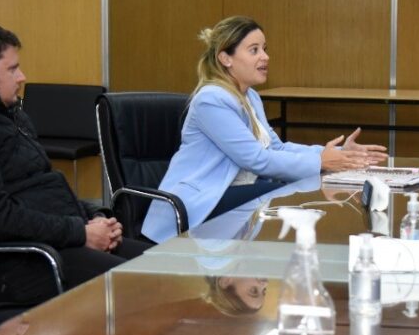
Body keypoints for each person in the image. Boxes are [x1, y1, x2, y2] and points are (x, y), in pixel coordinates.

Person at [0, 12, 151, 304]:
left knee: (171, 270)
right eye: (13, 69)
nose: (22, 77)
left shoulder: (6, 113)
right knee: (145, 290)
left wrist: (96, 219)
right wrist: (80, 233)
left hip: (54, 243)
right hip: (18, 263)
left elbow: (44, 185)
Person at [142, 16, 387, 242]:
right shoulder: (211, 100)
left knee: (283, 193)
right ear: (225, 58)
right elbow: (257, 160)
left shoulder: (250, 97)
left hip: (234, 192)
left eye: (264, 49)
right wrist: (321, 161)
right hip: (201, 201)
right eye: (254, 50)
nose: (265, 57)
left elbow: (276, 148)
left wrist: (338, 153)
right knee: (281, 193)